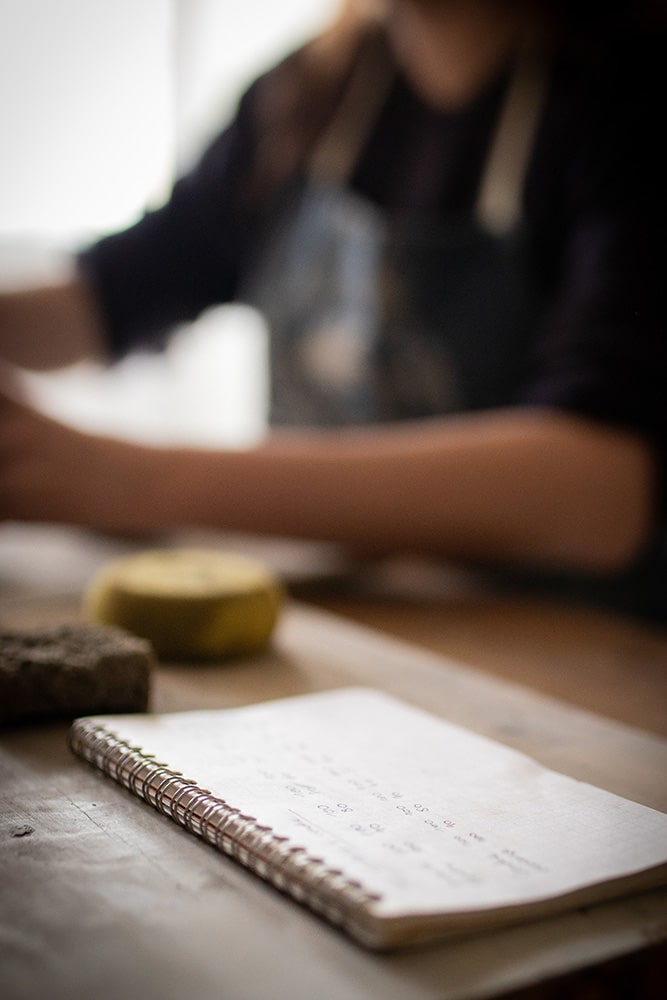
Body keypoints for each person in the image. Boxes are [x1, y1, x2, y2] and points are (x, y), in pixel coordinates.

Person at [1, 0, 665, 620]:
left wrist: (129, 480)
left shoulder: (620, 101)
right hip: (347, 616)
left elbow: (602, 492)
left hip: (566, 649)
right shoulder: (312, 90)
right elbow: (114, 291)